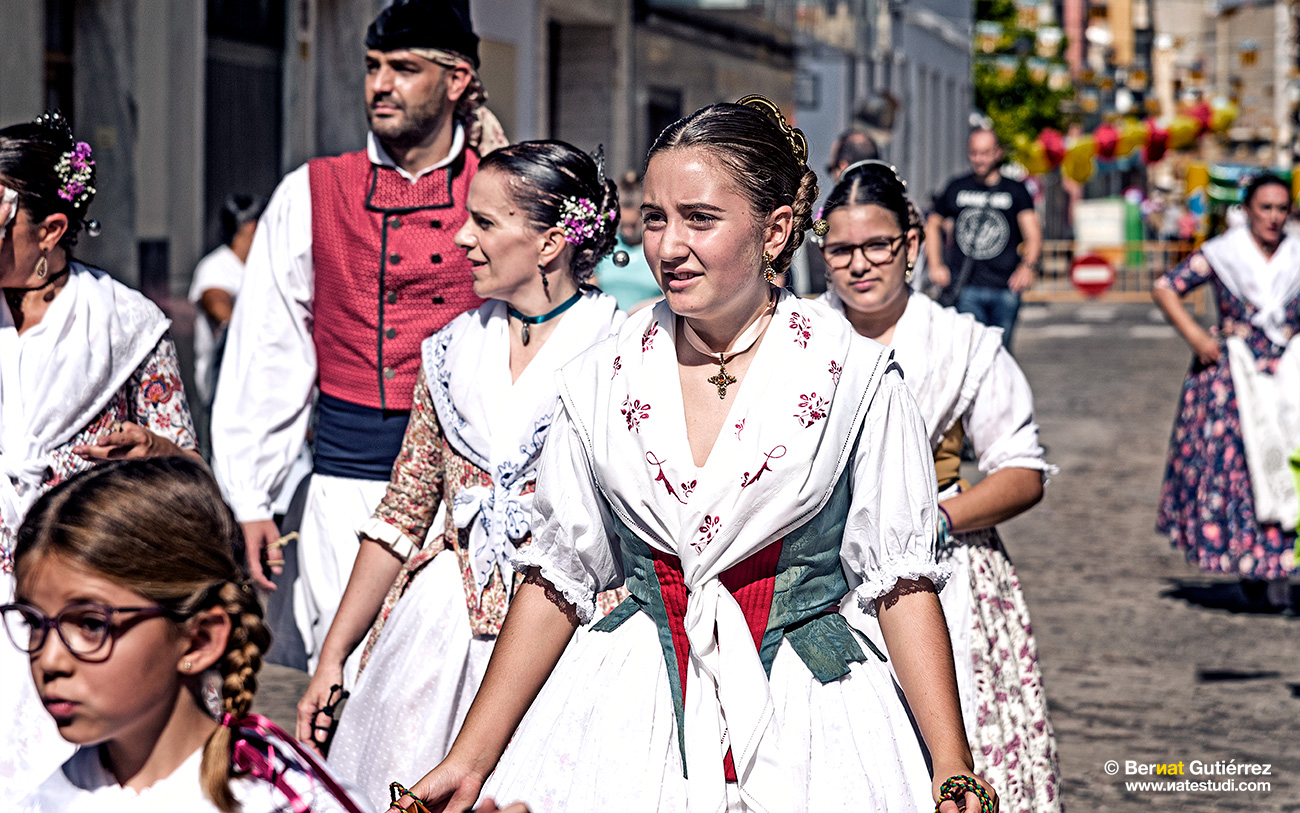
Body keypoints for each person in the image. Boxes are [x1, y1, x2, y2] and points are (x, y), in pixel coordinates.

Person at [397, 98, 996, 813]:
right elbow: (555, 578)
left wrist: (950, 760)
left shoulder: (853, 376)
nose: (668, 246)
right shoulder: (601, 375)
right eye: (655, 217)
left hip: (810, 712)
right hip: (634, 707)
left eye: (699, 219)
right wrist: (470, 756)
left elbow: (901, 583)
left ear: (775, 231)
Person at [295, 140, 627, 810]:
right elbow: (401, 512)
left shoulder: (619, 354)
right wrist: (333, 654)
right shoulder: (450, 352)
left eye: (486, 222)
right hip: (438, 632)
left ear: (551, 242)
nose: (461, 237)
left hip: (567, 636)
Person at [212, 0, 510, 677]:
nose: (380, 84)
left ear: (458, 79)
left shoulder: (502, 197)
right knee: (339, 693)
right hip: (341, 495)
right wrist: (251, 498)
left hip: (466, 507)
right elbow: (267, 353)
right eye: (374, 67)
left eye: (404, 69)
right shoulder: (310, 192)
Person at [817, 160, 1063, 812]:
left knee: (951, 744)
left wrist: (937, 519)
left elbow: (1021, 469)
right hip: (820, 573)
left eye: (878, 246)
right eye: (841, 249)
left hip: (944, 568)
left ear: (913, 245)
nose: (859, 265)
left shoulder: (962, 345)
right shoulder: (798, 335)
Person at [0, 112, 201, 805]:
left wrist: (154, 449)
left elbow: (190, 470)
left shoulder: (125, 323)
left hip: (79, 602)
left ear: (51, 230)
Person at [6, 457, 365, 812]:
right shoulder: (35, 797)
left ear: (199, 640)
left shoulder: (287, 801)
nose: (49, 660)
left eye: (91, 624)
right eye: (34, 623)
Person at [1153, 174, 1300, 611]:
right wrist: (1199, 338)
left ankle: (1283, 567)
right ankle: (1253, 563)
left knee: (1288, 465)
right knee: (1243, 470)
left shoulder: (1295, 256)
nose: (1273, 218)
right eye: (1265, 208)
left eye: (1280, 209)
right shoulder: (1224, 254)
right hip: (1235, 378)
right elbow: (1166, 287)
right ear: (1248, 210)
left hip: (1288, 374)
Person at [926, 128, 1042, 351]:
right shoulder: (956, 187)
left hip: (1005, 287)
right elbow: (932, 224)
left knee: (1000, 354)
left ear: (998, 153)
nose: (979, 159)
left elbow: (1033, 233)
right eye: (974, 153)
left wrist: (1028, 267)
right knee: (972, 354)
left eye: (985, 153)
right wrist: (935, 265)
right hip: (966, 285)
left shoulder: (1015, 190)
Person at [189, 194, 266, 409]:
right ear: (253, 228)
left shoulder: (263, 268)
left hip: (260, 389)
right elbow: (215, 302)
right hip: (225, 394)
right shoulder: (216, 266)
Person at [593, 171, 660, 311]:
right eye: (624, 225)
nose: (628, 231)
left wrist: (646, 309)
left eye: (633, 225)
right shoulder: (606, 245)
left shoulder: (660, 249)